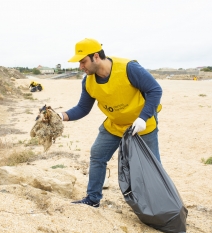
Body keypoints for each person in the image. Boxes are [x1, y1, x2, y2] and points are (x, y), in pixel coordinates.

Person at [57, 38, 163, 208]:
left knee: (152, 165)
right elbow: (83, 108)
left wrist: (143, 118)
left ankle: (159, 205)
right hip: (115, 124)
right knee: (97, 154)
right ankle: (92, 199)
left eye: (83, 61)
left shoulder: (128, 68)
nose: (81, 67)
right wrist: (60, 116)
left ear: (96, 57)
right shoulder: (88, 81)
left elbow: (155, 90)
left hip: (142, 123)